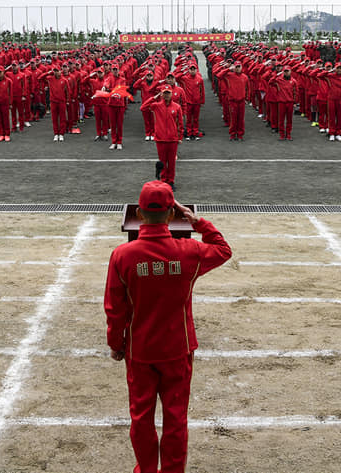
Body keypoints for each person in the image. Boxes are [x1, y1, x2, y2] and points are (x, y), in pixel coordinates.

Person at [105, 182, 232, 473]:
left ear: (138, 213)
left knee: (141, 418)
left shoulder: (123, 256)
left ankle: (147, 470)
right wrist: (197, 221)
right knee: (175, 419)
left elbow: (115, 306)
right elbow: (223, 249)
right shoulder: (189, 252)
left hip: (140, 350)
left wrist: (116, 343)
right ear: (172, 214)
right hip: (178, 348)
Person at [140, 86, 184, 188]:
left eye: (168, 93)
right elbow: (143, 107)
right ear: (161, 94)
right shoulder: (156, 106)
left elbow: (180, 123)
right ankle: (164, 180)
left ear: (171, 94)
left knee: (172, 162)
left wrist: (180, 137)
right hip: (160, 139)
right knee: (163, 161)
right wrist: (154, 97)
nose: (166, 95)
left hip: (172, 139)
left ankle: (171, 181)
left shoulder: (177, 107)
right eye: (164, 93)